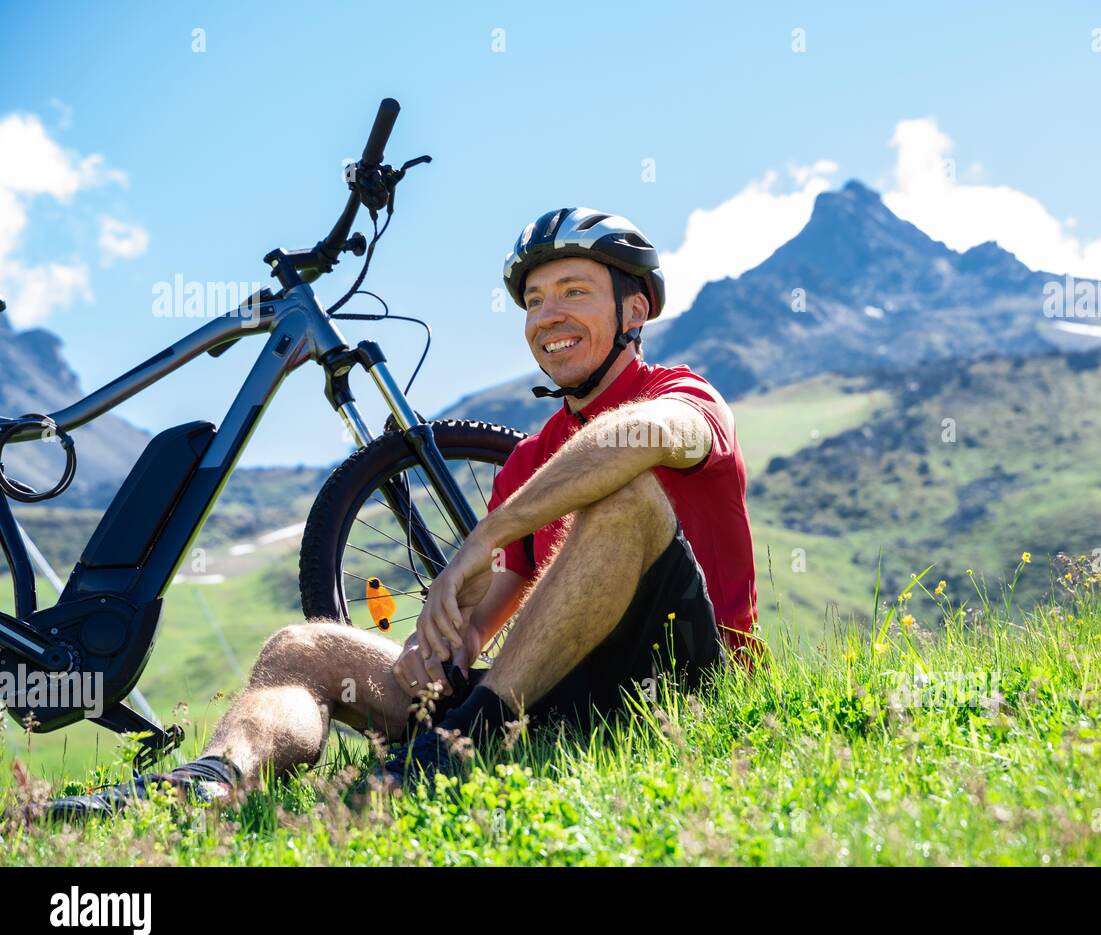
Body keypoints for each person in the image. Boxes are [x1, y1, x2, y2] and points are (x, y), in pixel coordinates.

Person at [13, 207, 760, 822]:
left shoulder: (682, 395)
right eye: (535, 301)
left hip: (682, 681)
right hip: (552, 694)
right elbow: (490, 620)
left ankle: (460, 752)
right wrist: (438, 649)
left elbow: (651, 439)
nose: (547, 317)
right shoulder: (532, 462)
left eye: (573, 292)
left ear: (635, 309)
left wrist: (486, 536)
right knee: (303, 646)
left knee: (625, 494)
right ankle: (216, 780)